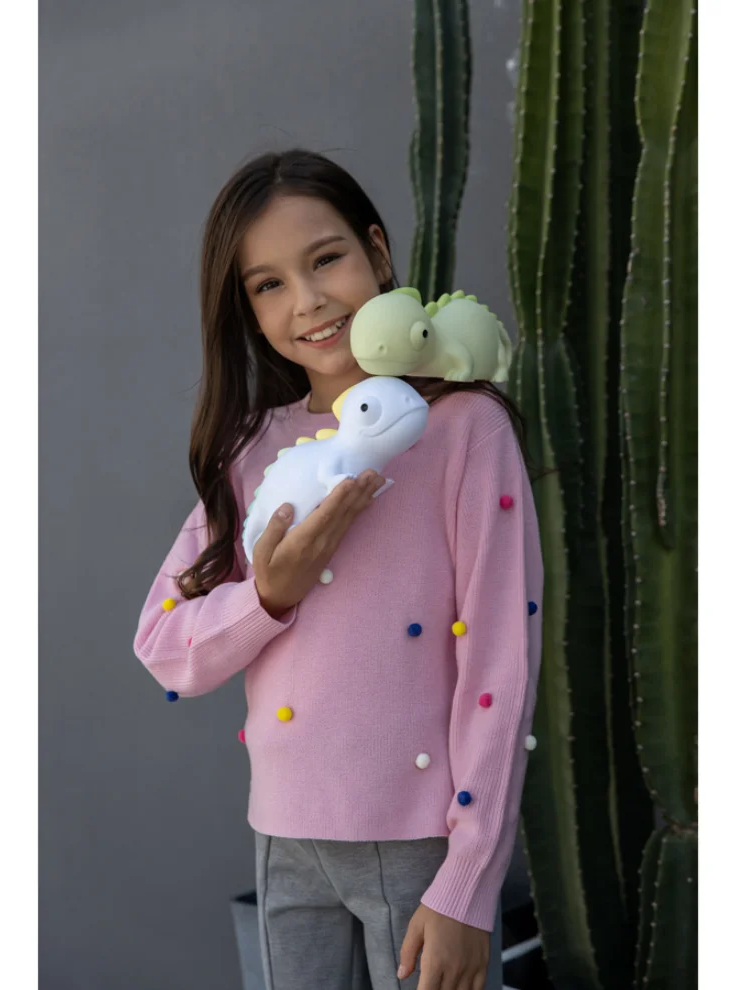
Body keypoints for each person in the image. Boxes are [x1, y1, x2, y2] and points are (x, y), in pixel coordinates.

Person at [133, 148, 544, 990]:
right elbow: (165, 647)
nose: (309, 300)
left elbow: (498, 666)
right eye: (268, 284)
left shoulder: (464, 429)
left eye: (325, 260)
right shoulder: (253, 449)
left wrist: (467, 884)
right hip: (284, 840)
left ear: (377, 253)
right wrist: (268, 596)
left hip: (424, 846)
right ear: (248, 311)